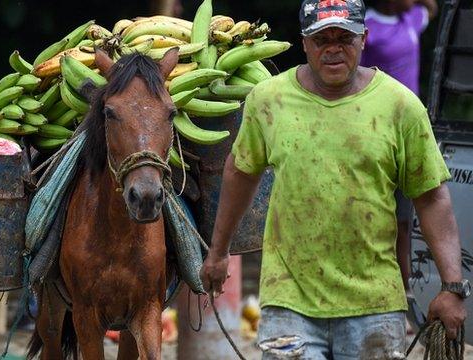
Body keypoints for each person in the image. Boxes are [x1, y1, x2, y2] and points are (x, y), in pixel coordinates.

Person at [199, 0, 468, 357]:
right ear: (305, 43)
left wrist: (451, 286)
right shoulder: (269, 100)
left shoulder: (400, 106)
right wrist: (218, 254)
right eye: (322, 39)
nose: (333, 48)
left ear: (364, 39)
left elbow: (431, 197)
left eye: (344, 37)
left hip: (374, 305)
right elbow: (240, 172)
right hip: (289, 302)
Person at [360, 0, 438, 302]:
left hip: (411, 131)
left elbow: (431, 8)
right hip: (376, 129)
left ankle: (407, 290)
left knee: (407, 216)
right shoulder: (368, 27)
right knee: (384, 215)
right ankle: (389, 286)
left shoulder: (413, 19)